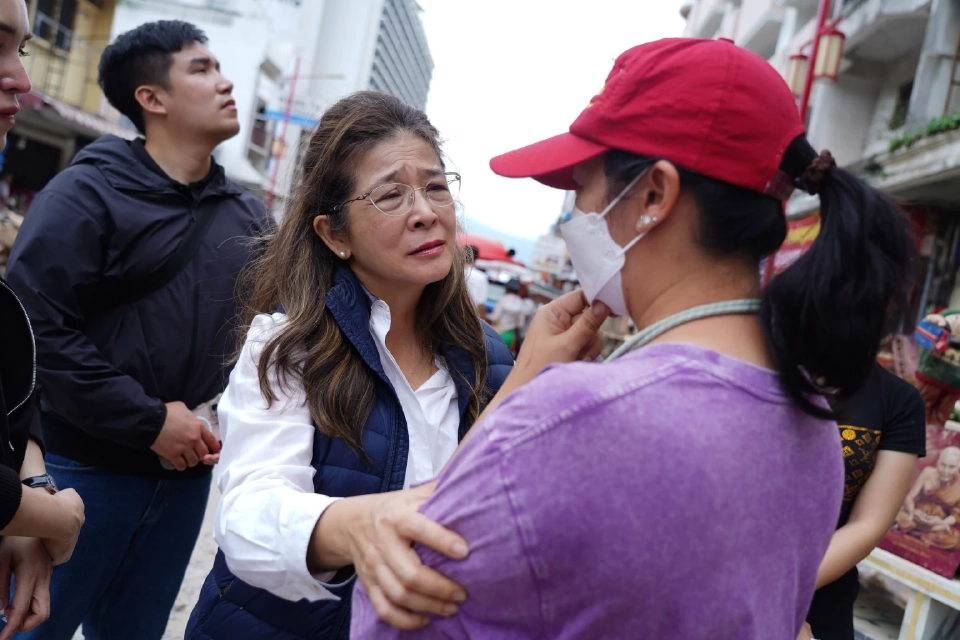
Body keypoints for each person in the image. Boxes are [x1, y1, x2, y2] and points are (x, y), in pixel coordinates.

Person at [350, 37, 917, 639]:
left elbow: (390, 615)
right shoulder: (813, 423)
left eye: (582, 187)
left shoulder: (568, 416)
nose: (573, 218)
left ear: (652, 196)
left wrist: (520, 391)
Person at [184, 91, 514, 640]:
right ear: (334, 234)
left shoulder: (485, 355)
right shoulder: (289, 343)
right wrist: (361, 525)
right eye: (390, 195)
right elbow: (249, 516)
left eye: (436, 186)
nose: (425, 212)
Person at [3, 20, 269, 640]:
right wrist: (148, 420)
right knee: (28, 629)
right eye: (200, 69)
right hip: (77, 470)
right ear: (151, 99)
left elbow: (274, 332)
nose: (226, 81)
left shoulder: (247, 214)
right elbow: (31, 333)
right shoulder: (85, 193)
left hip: (183, 483)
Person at [0, 2, 85, 638]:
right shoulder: (86, 195)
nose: (22, 80)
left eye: (24, 50)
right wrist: (53, 516)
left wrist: (32, 486)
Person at [803, 363, 925, 640]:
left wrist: (780, 595)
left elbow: (867, 524)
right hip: (721, 590)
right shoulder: (754, 367)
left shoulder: (897, 398)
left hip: (824, 600)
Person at [895, 446, 960, 548]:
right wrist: (913, 512)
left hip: (938, 522)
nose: (945, 471)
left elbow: (957, 515)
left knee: (955, 540)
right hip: (917, 514)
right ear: (938, 462)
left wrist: (942, 522)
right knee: (892, 513)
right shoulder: (928, 472)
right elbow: (910, 497)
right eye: (943, 465)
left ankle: (914, 530)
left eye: (951, 467)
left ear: (958, 467)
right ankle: (915, 528)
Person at [489, 278, 526, 354]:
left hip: (498, 332)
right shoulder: (521, 303)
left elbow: (495, 317)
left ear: (507, 288)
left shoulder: (503, 299)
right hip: (510, 336)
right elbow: (520, 324)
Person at [464, 244, 488, 319]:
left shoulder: (453, 272)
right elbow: (480, 304)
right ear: (476, 258)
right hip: (468, 317)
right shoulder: (481, 277)